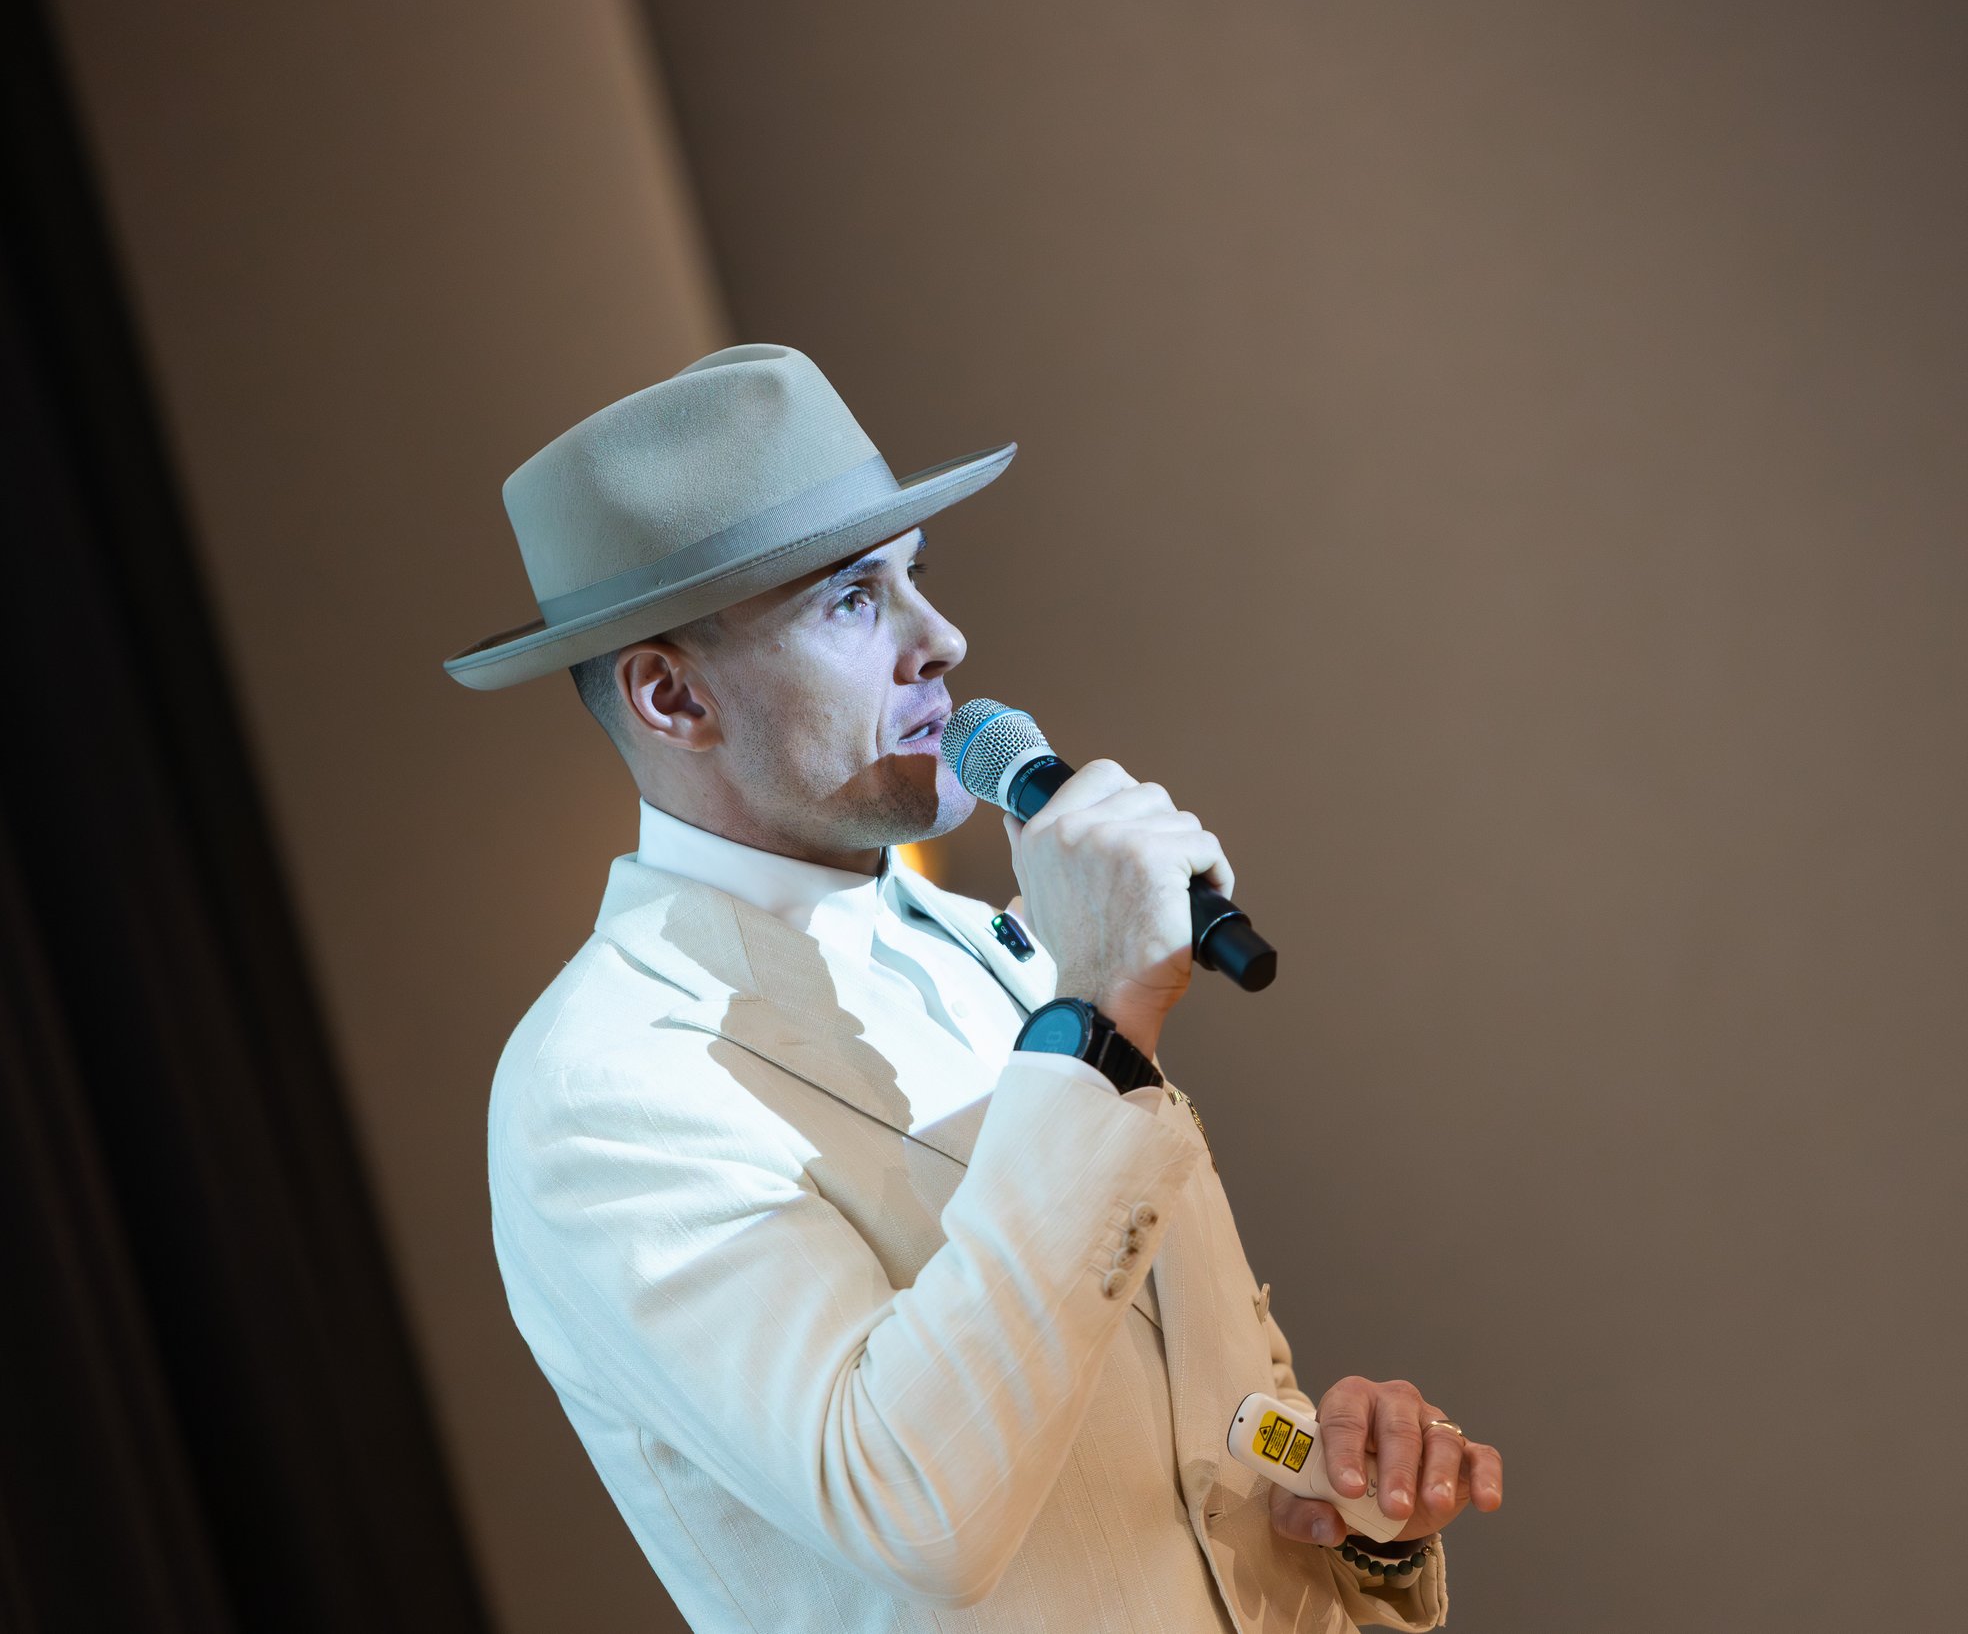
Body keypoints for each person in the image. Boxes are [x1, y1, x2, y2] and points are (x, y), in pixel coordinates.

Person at [447, 344, 1502, 1632]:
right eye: (850, 602)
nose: (941, 641)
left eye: (916, 580)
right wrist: (1103, 1019)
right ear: (671, 695)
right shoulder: (609, 1086)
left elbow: (1153, 1446)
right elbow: (912, 1508)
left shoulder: (979, 947)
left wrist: (1339, 1492)